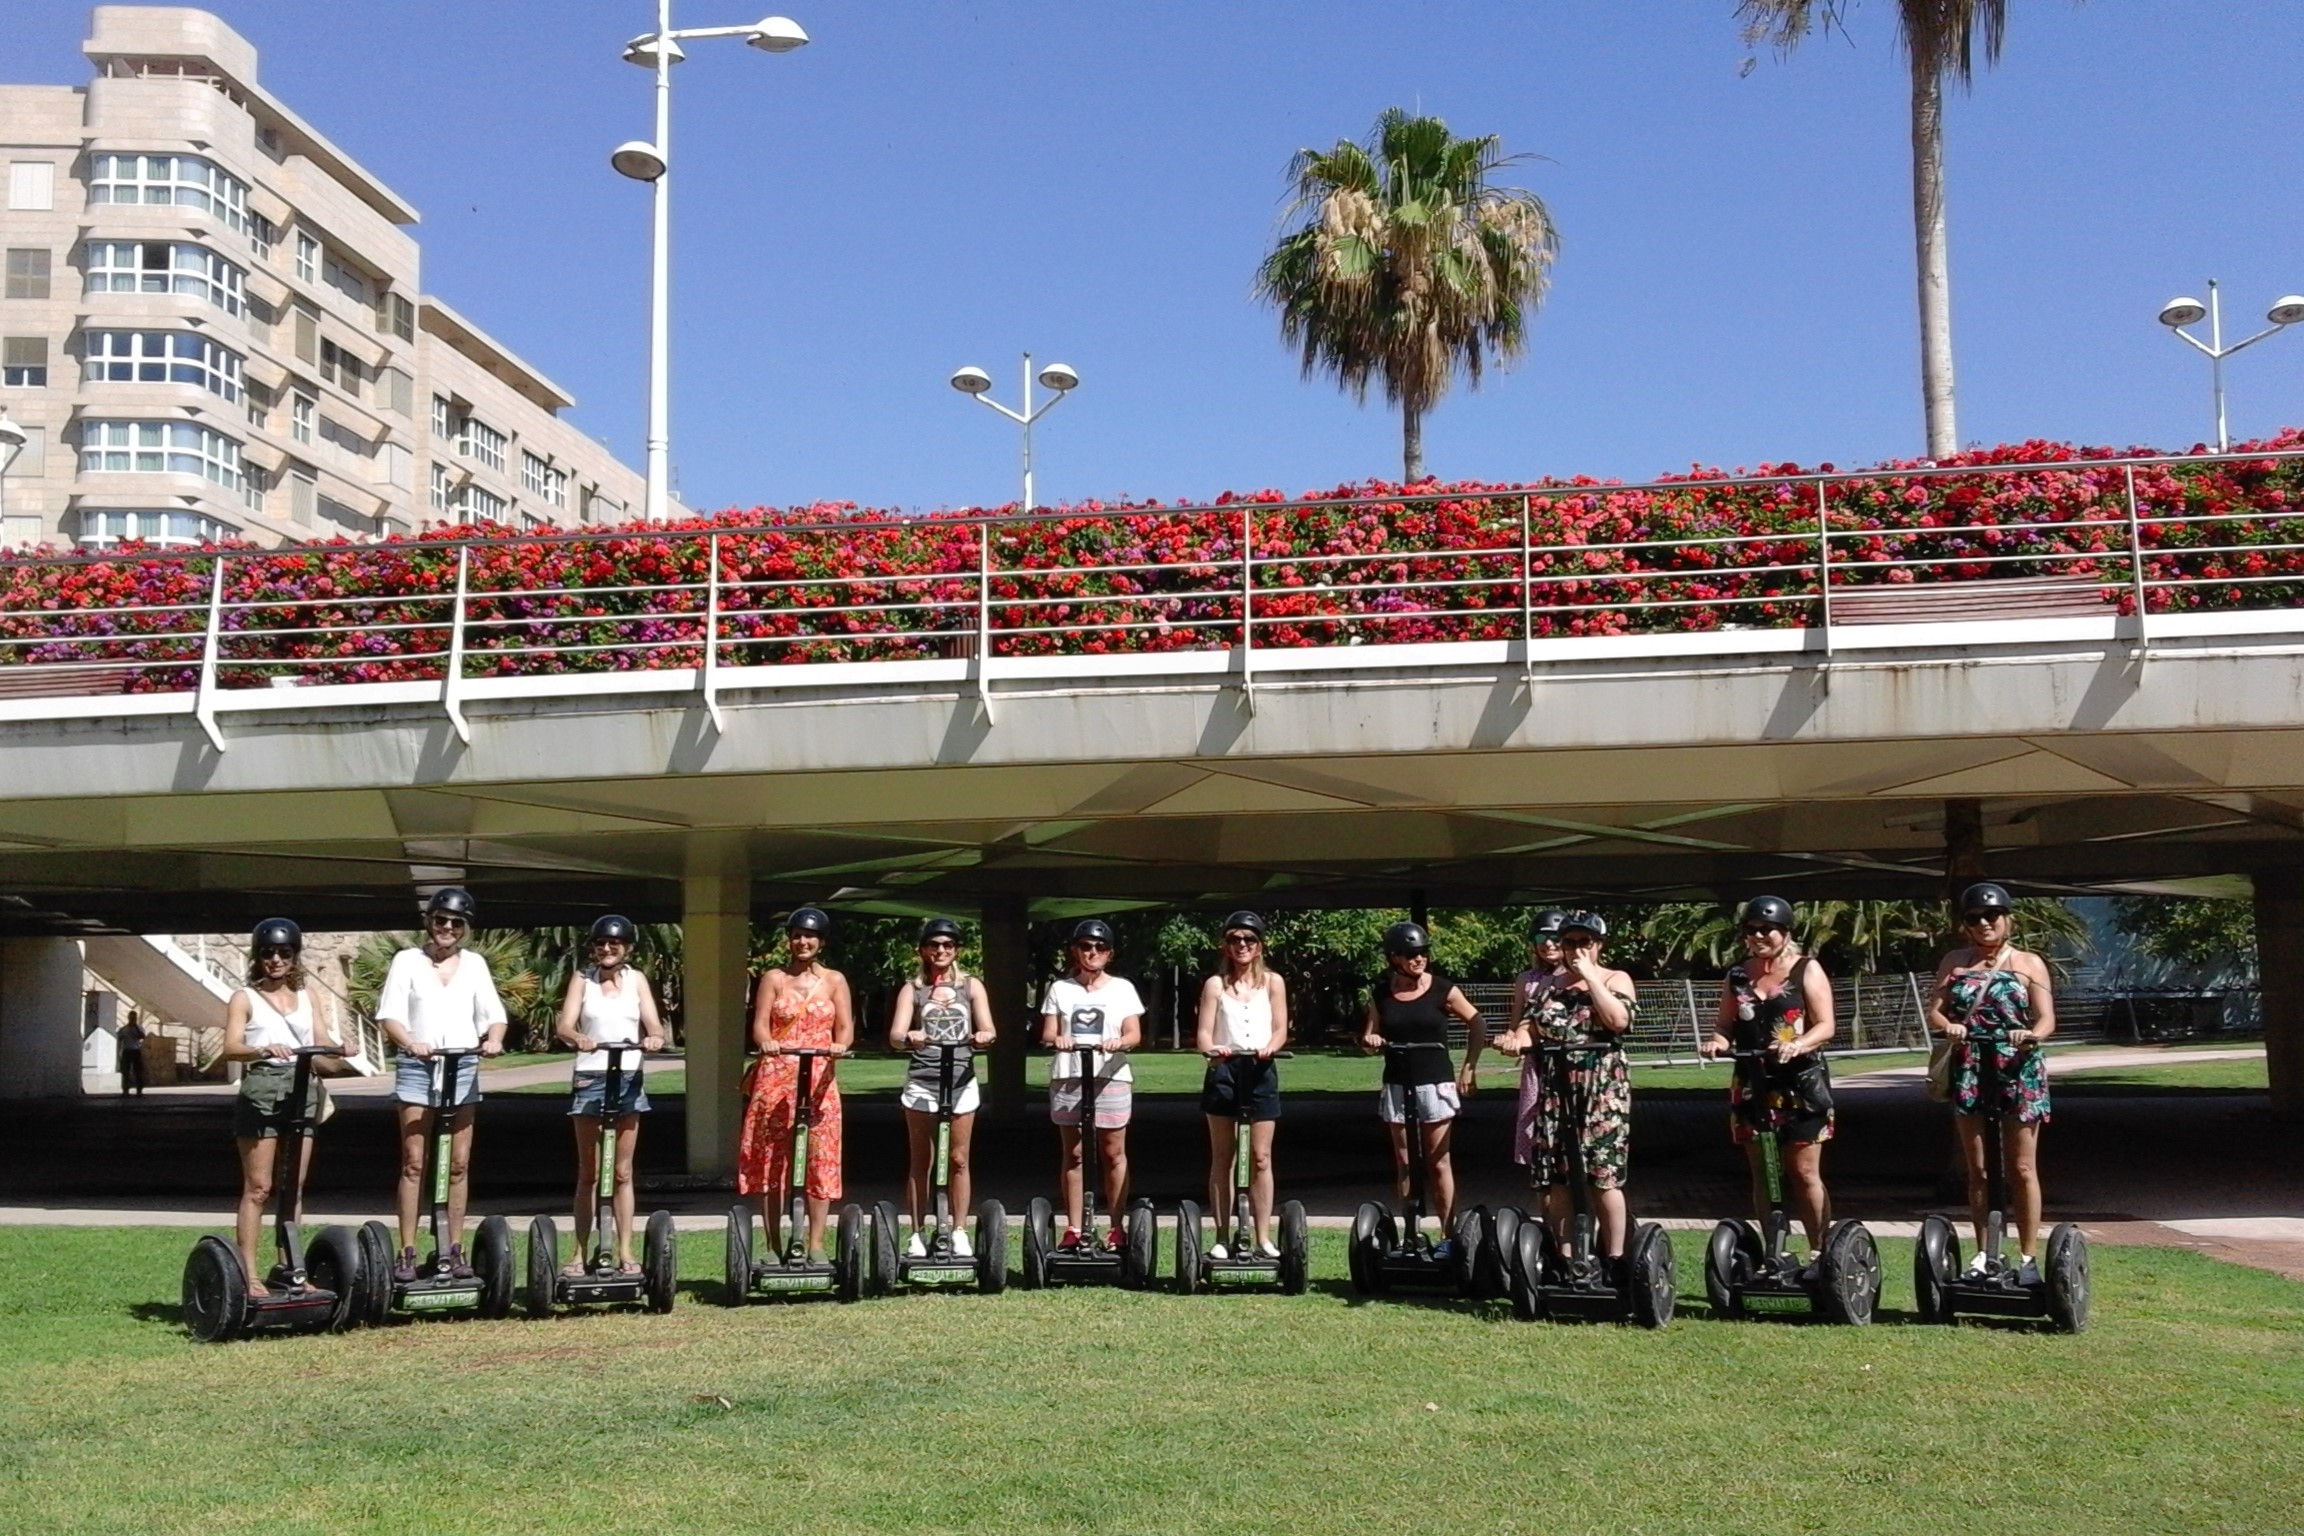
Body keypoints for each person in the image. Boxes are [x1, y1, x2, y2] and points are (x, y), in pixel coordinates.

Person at [1927, 881, 2058, 1284]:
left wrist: (2030, 1034)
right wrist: (1949, 1026)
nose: (1984, 924)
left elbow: (2047, 1018)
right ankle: (1984, 1253)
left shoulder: (2028, 963)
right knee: (1979, 1169)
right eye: (1974, 918)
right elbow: (1936, 1010)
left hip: (2017, 1068)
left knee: (2021, 1167)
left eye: (1991, 916)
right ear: (1965, 925)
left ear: (2007, 920)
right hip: (1971, 1065)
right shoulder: (1955, 961)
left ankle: (2028, 1257)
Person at [376, 886, 507, 1283]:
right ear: (429, 922)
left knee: (459, 1165)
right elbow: (390, 1016)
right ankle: (407, 1250)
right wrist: (410, 1042)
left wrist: (495, 1038)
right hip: (419, 1067)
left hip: (462, 1064)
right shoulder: (407, 961)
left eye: (456, 923)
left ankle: (454, 1247)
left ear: (465, 928)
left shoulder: (475, 965)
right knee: (415, 1162)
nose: (447, 928)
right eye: (440, 920)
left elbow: (493, 1015)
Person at [1700, 895, 1838, 1264]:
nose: (1758, 936)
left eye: (1767, 930)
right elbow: (1724, 1024)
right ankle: (1776, 1251)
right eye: (1751, 930)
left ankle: (1820, 1250)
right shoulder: (1739, 975)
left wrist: (1800, 1044)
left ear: (1785, 932)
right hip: (1752, 1082)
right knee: (1763, 1171)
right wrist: (1717, 1041)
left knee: (1804, 1171)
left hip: (1799, 1083)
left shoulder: (1806, 969)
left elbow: (1826, 1025)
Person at [1495, 912, 1635, 1266]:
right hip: (1557, 1090)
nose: (1575, 949)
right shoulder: (1549, 986)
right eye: (1569, 942)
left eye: (1583, 942)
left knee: (1603, 1177)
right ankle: (1566, 1259)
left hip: (1601, 1091)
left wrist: (1589, 976)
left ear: (1599, 945)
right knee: (1558, 1177)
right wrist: (1516, 1041)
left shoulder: (1615, 978)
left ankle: (1615, 1258)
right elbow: (1532, 1027)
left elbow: (1618, 1021)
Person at [219, 919, 342, 1294]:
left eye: (284, 953)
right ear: (257, 956)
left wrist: (338, 1052)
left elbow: (324, 1049)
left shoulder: (308, 997)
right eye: (268, 952)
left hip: (302, 1086)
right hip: (262, 1088)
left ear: (295, 957)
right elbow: (230, 1046)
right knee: (259, 1187)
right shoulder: (245, 997)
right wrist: (262, 1049)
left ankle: (291, 1268)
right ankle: (249, 1274)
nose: (276, 959)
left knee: (294, 1187)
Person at [737, 907, 856, 1263]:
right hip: (776, 1078)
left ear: (821, 941)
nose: (803, 942)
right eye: (797, 935)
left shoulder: (835, 980)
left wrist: (840, 1046)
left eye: (810, 936)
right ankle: (773, 1244)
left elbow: (846, 1027)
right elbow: (759, 1024)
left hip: (819, 1077)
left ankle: (816, 1243)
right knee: (772, 1161)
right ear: (789, 939)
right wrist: (768, 1042)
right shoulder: (774, 978)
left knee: (820, 1160)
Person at [552, 914, 666, 1276]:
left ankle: (626, 1252)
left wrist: (654, 1038)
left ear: (627, 948)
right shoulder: (582, 979)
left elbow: (654, 1024)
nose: (606, 949)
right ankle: (579, 1253)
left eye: (614, 944)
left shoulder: (637, 981)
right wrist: (578, 1037)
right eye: (600, 944)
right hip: (591, 1076)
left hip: (628, 1076)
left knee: (621, 1172)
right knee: (589, 1172)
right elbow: (564, 1025)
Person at [1359, 920, 1481, 1255]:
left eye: (1423, 953)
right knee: (1405, 1161)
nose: (1419, 959)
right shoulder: (1382, 993)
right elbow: (1371, 1038)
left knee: (1438, 1160)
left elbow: (1477, 1022)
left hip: (1435, 1082)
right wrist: (1371, 1040)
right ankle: (1411, 1231)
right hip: (1398, 1083)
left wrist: (1469, 1066)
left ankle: (1448, 1235)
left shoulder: (1443, 988)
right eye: (1411, 954)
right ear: (1395, 957)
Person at [886, 916, 998, 1258]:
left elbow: (990, 1030)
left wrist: (983, 1037)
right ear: (923, 950)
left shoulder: (971, 986)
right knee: (922, 1159)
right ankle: (917, 1233)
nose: (941, 950)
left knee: (959, 1158)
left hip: (962, 1080)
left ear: (957, 950)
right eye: (934, 945)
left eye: (948, 945)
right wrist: (910, 1037)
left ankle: (959, 1229)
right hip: (923, 1081)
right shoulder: (913, 989)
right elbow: (894, 1035)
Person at [1039, 918, 1145, 1251]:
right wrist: (1062, 1039)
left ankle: (1115, 1227)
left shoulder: (1122, 988)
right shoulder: (1060, 989)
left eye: (1100, 947)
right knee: (1074, 1153)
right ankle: (1074, 1228)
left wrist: (1119, 1042)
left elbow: (1134, 1033)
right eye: (1085, 946)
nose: (1092, 952)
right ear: (1075, 951)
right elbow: (1047, 1035)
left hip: (1110, 1075)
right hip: (1070, 1075)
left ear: (1109, 954)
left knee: (1113, 1152)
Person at [1192, 910, 1291, 1258]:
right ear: (1225, 945)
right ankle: (1221, 1236)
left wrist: (1271, 1047)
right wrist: (1212, 1050)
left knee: (1261, 1158)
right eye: (1235, 939)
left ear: (1260, 945)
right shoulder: (1215, 985)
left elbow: (1280, 1028)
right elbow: (1204, 1033)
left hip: (1261, 1071)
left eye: (1249, 939)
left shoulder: (1273, 983)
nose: (1242, 945)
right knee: (1224, 1156)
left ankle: (1263, 1236)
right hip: (1225, 1071)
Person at [1504, 909, 1572, 1171]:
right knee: (1536, 1127)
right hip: (1538, 1064)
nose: (1548, 945)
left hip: (1570, 1061)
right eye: (1541, 939)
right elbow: (1516, 1024)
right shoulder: (1526, 980)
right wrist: (1510, 1041)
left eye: (1555, 938)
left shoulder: (1579, 977)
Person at [116, 1012, 148, 1097]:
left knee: (138, 1072)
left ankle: (139, 1091)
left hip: (136, 1050)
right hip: (127, 1051)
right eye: (131, 1018)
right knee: (126, 1072)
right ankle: (125, 1091)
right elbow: (119, 1040)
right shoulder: (124, 1029)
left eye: (134, 1018)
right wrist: (119, 1052)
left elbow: (142, 1037)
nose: (132, 1019)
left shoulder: (139, 1028)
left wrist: (136, 1027)